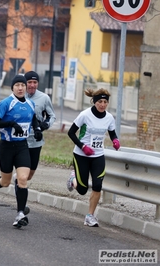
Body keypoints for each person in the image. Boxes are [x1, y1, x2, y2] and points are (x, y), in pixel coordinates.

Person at [0, 75, 42, 228]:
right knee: (5, 182)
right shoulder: (6, 103)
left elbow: (33, 119)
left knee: (23, 179)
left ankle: (20, 214)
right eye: (17, 85)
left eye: (22, 85)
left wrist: (37, 128)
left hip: (22, 146)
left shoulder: (31, 104)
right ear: (12, 88)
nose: (20, 88)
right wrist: (12, 123)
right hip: (6, 147)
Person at [67, 88, 120, 227]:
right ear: (94, 102)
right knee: (83, 189)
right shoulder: (85, 115)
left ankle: (90, 216)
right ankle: (73, 179)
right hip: (81, 155)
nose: (102, 105)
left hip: (98, 155)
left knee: (97, 185)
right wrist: (83, 146)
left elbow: (112, 133)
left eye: (105, 102)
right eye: (100, 102)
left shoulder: (109, 117)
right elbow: (71, 133)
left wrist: (115, 141)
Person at [14, 71, 56, 213]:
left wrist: (45, 125)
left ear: (38, 83)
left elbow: (52, 116)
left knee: (30, 174)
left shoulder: (44, 98)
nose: (32, 85)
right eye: (29, 82)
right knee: (23, 176)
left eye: (35, 82)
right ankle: (21, 207)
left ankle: (18, 182)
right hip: (20, 141)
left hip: (36, 141)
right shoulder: (18, 95)